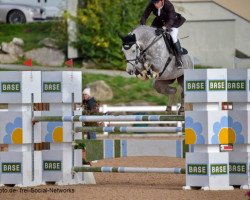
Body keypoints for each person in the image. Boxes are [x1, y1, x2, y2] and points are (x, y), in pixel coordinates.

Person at [140, 0, 186, 68]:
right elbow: (144, 15)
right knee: (151, 35)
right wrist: (143, 26)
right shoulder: (152, 4)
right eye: (154, 3)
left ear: (162, 0)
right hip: (159, 22)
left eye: (157, 2)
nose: (155, 5)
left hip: (172, 23)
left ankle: (179, 59)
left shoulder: (169, 5)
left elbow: (171, 19)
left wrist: (164, 28)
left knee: (173, 36)